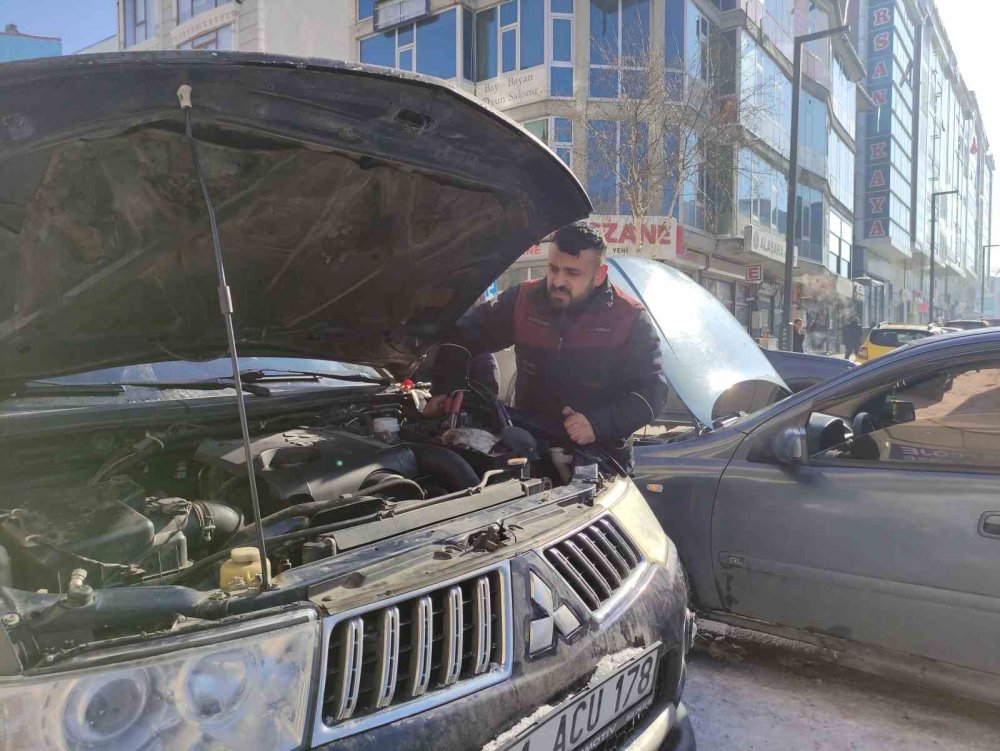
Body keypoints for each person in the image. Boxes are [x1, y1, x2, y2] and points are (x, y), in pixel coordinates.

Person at [424, 221, 667, 471]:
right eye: (553, 268)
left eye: (572, 273)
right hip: (530, 448)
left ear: (599, 275)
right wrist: (447, 390)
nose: (558, 281)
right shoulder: (522, 301)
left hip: (600, 457)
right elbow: (463, 334)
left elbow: (652, 392)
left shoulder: (629, 318)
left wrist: (597, 424)